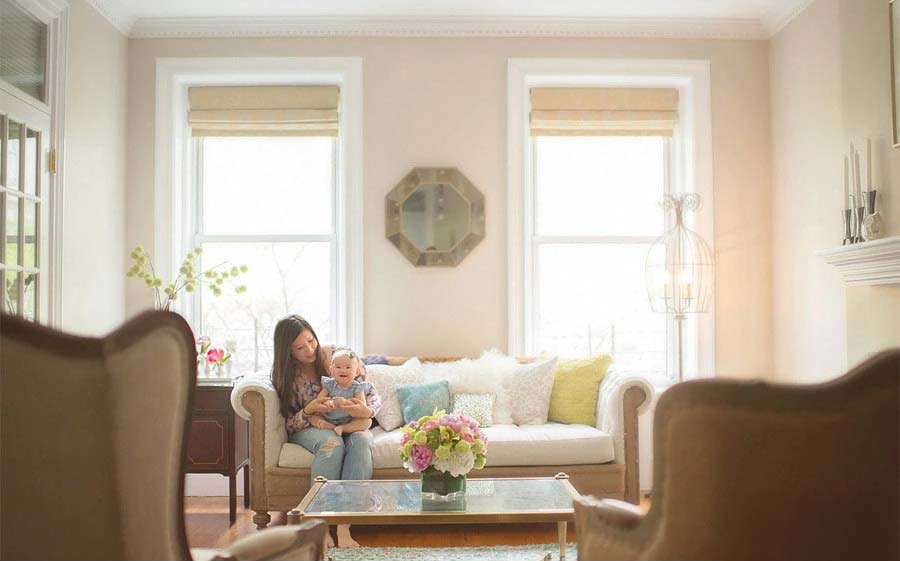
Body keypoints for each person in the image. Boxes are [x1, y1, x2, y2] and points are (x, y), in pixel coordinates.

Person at [271, 315, 381, 549]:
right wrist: (309, 409)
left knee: (361, 442)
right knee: (332, 443)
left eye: (311, 341)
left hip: (353, 421)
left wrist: (366, 411)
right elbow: (289, 423)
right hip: (311, 426)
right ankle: (319, 526)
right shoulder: (287, 376)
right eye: (300, 347)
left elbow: (372, 396)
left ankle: (344, 525)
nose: (310, 349)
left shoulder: (340, 358)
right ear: (287, 351)